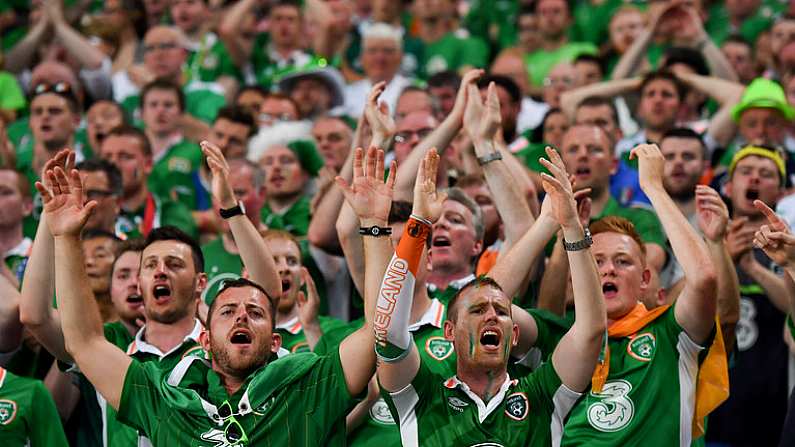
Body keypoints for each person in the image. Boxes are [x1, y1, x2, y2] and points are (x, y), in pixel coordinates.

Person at [36, 143, 382, 446]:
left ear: (276, 342)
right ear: (204, 340)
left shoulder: (310, 388)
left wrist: (374, 227)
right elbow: (83, 342)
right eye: (228, 312)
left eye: (256, 312)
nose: (242, 316)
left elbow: (378, 329)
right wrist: (65, 237)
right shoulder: (165, 401)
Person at [376, 140, 605, 445]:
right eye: (477, 310)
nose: (492, 317)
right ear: (449, 331)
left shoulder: (540, 396)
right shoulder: (421, 399)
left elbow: (592, 329)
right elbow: (389, 330)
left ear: (513, 336)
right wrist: (418, 223)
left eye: (501, 311)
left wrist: (573, 227)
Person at [560, 143, 720, 445]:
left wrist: (653, 187)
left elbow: (703, 278)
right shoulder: (559, 337)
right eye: (596, 262)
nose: (608, 270)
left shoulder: (672, 334)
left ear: (646, 279)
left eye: (622, 261)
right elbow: (489, 303)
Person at [707, 146, 789, 446]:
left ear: (780, 192)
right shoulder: (707, 238)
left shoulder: (788, 246)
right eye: (746, 171)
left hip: (772, 396)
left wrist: (752, 267)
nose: (754, 177)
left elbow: (793, 307)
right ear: (728, 186)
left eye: (766, 174)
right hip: (713, 397)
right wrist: (721, 256)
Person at [98, 125, 197, 239]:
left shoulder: (170, 214)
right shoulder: (93, 214)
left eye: (125, 157)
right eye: (107, 157)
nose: (113, 164)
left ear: (148, 164)